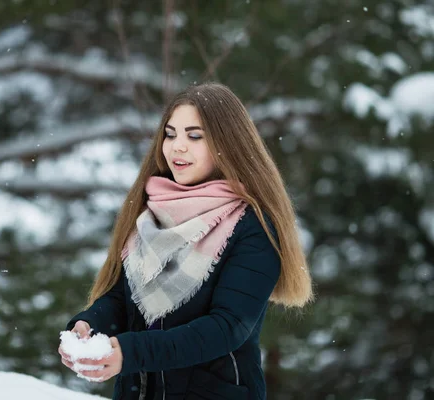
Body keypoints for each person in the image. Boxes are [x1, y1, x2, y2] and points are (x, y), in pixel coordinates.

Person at [58, 82, 313, 400]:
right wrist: (88, 324)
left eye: (195, 136)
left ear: (227, 143)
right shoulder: (151, 212)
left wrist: (131, 351)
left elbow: (226, 328)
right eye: (170, 133)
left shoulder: (254, 225)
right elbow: (125, 300)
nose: (177, 146)